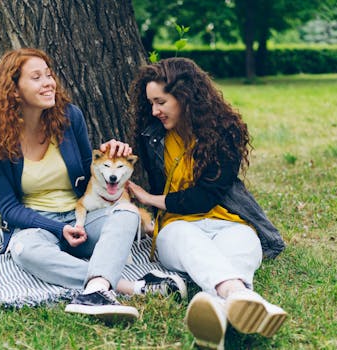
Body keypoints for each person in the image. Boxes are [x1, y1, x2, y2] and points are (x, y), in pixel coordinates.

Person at [0, 48, 186, 322]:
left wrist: (109, 157)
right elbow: (8, 209)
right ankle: (127, 287)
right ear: (14, 90)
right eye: (36, 77)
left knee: (127, 214)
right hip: (38, 227)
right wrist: (59, 228)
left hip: (83, 219)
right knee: (23, 251)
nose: (49, 83)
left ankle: (97, 290)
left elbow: (89, 173)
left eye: (49, 75)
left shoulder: (68, 117)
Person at [127, 57, 287, 347]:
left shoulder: (224, 131)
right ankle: (244, 297)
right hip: (177, 227)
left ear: (184, 96)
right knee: (191, 242)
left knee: (239, 247)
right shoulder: (152, 135)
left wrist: (150, 198)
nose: (154, 111)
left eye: (161, 102)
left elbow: (203, 197)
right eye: (151, 103)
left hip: (229, 221)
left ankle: (218, 310)